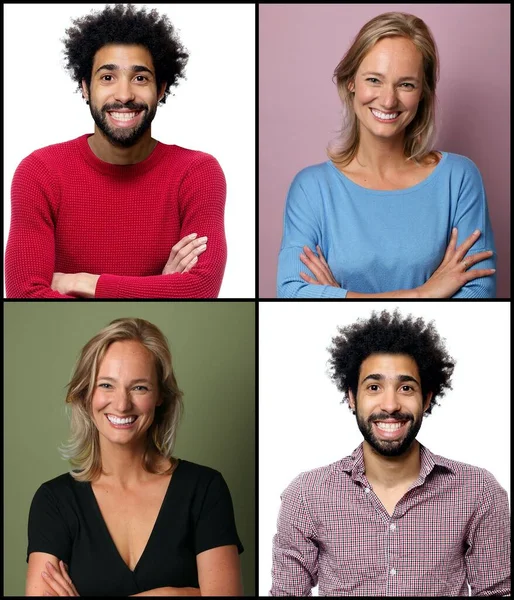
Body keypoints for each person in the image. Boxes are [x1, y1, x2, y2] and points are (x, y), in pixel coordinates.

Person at [270, 309, 510, 596]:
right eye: (374, 387)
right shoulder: (306, 494)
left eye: (406, 388)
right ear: (351, 397)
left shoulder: (479, 490)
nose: (390, 404)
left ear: (427, 399)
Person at [5, 4, 226, 298]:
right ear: (85, 87)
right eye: (108, 77)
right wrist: (159, 289)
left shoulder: (197, 173)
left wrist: (82, 282)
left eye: (140, 78)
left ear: (161, 89)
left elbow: (200, 289)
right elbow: (26, 296)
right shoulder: (40, 172)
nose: (124, 95)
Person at [277, 12, 496, 298]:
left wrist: (337, 297)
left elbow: (478, 294)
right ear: (351, 81)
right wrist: (423, 294)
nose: (389, 100)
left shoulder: (459, 179)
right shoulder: (311, 188)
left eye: (406, 84)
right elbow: (293, 293)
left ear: (423, 94)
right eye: (374, 80)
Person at [26, 318, 243, 596]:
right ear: (85, 393)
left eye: (139, 387)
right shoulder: (53, 501)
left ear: (160, 396)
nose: (121, 404)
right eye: (106, 385)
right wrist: (179, 594)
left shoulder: (204, 489)